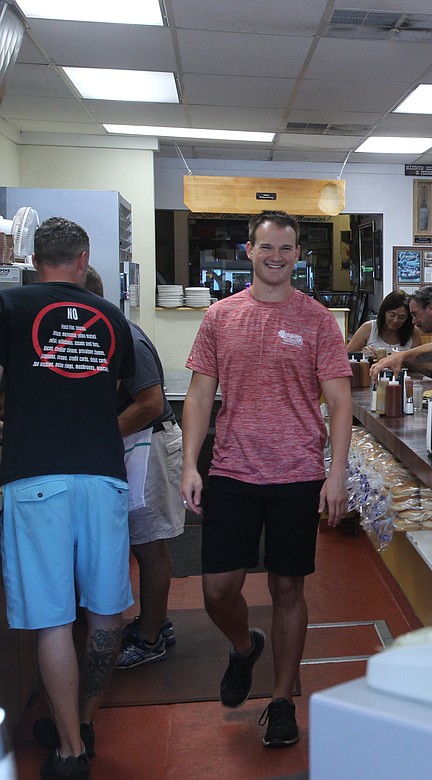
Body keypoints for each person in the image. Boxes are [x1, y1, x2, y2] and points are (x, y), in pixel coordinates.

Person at [180, 210, 352, 749]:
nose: (276, 256)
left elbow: (340, 402)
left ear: (298, 255)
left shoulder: (320, 320)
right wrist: (190, 463)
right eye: (266, 247)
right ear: (248, 251)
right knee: (217, 588)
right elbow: (200, 396)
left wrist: (336, 472)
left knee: (286, 587)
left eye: (286, 248)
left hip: (298, 471)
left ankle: (281, 700)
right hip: (232, 466)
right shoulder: (219, 317)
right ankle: (241, 646)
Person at [0, 217, 136, 779]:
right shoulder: (112, 317)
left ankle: (69, 753)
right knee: (106, 612)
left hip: (34, 476)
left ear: (34, 260)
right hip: (102, 475)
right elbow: (115, 389)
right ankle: (82, 723)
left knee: (54, 619)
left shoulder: (10, 307)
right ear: (83, 260)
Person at [81, 268, 185, 669]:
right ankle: (153, 620)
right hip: (127, 443)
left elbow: (150, 405)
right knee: (141, 542)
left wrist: (97, 439)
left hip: (149, 443)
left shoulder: (127, 337)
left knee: (149, 545)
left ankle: (149, 637)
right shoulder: (90, 334)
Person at [345, 290, 414, 357]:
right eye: (392, 315)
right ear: (384, 312)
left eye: (402, 317)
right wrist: (361, 354)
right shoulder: (368, 328)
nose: (395, 320)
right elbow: (346, 356)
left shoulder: (413, 332)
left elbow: (420, 362)